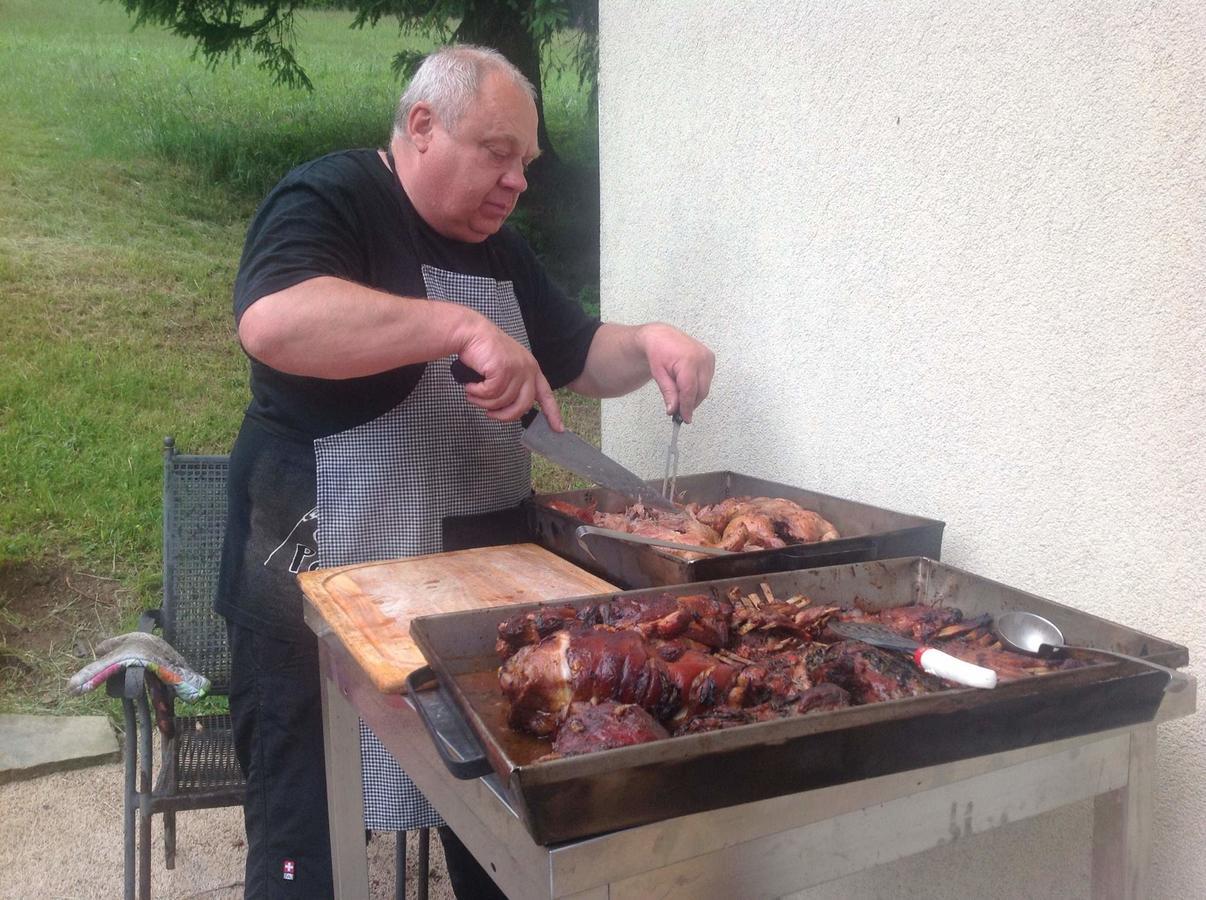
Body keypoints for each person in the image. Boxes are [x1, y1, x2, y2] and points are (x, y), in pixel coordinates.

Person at [216, 43, 715, 898]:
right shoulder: (331, 198)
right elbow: (274, 321)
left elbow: (581, 354)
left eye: (525, 162)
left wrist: (648, 344)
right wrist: (458, 327)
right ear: (422, 126)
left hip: (471, 601)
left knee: (501, 843)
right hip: (321, 591)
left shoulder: (501, 253)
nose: (518, 180)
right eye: (498, 152)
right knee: (307, 852)